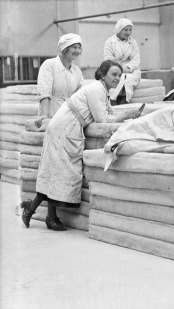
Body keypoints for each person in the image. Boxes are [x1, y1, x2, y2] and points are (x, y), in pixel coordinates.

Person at [20, 60, 141, 231]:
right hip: (64, 128)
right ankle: (37, 212)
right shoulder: (96, 89)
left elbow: (109, 112)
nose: (117, 78)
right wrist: (127, 114)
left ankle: (43, 214)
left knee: (56, 173)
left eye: (119, 76)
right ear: (103, 74)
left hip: (69, 127)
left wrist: (128, 114)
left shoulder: (102, 91)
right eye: (113, 74)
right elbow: (103, 120)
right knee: (59, 173)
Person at [35, 33, 84, 127]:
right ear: (65, 48)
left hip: (69, 115)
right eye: (74, 47)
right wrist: (44, 115)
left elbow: (81, 93)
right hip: (51, 113)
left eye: (79, 47)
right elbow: (44, 91)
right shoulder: (49, 65)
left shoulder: (76, 70)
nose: (77, 51)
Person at [104, 18, 141, 104]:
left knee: (128, 81)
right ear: (119, 29)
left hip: (131, 70)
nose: (128, 32)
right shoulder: (110, 42)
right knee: (116, 81)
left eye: (130, 30)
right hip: (114, 68)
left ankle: (124, 104)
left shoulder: (133, 42)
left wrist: (128, 67)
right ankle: (112, 103)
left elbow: (136, 59)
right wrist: (121, 69)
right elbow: (108, 59)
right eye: (125, 30)